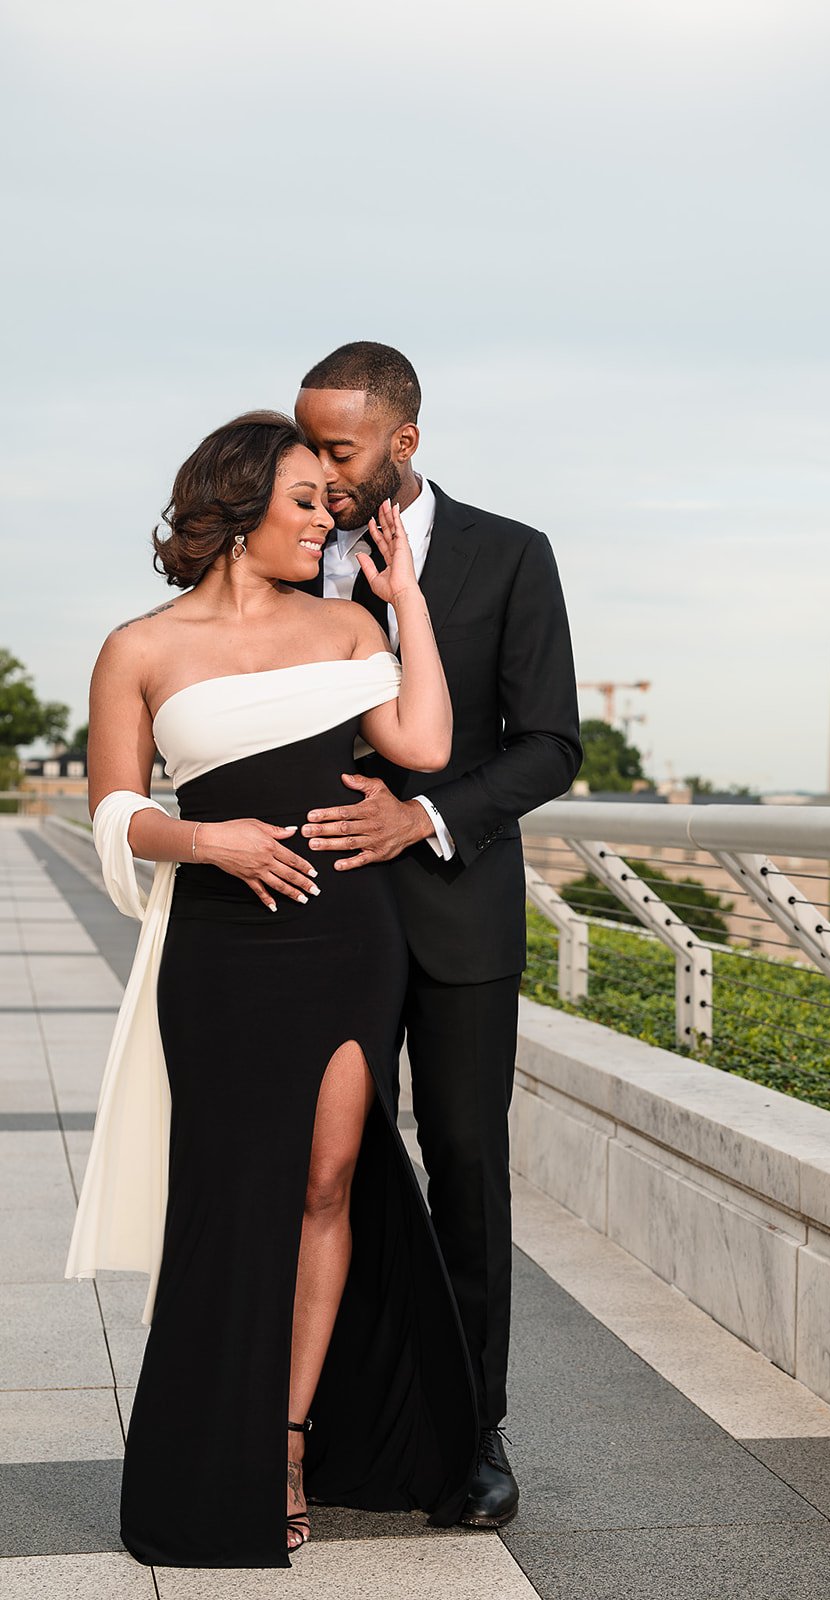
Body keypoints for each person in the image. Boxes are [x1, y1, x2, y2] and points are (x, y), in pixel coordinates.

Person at [66, 411, 477, 1568]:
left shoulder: (349, 624)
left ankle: (287, 1441)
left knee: (328, 1182)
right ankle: (210, 1449)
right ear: (238, 506)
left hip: (347, 935)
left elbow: (425, 743)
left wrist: (408, 602)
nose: (326, 520)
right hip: (219, 948)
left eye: (329, 503)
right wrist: (209, 842)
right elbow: (114, 810)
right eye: (305, 500)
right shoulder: (138, 648)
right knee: (227, 1197)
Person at [294, 344, 582, 1527]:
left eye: (339, 447)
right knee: (326, 1170)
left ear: (402, 441)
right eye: (307, 443)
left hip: (460, 912)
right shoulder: (283, 547)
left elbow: (550, 744)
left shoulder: (510, 554)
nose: (319, 469)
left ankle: (474, 1429)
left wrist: (422, 816)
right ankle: (330, 1418)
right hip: (320, 913)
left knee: (466, 1166)